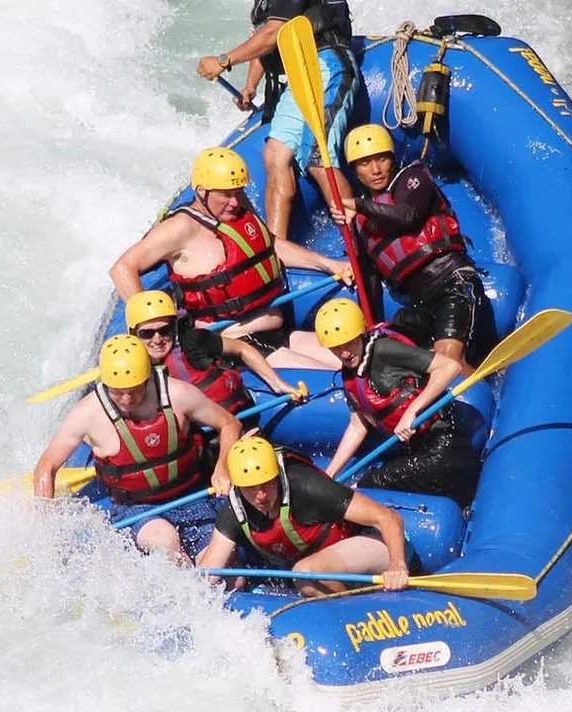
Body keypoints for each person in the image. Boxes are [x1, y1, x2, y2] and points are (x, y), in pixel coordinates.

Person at [109, 147, 344, 369]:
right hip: (235, 345)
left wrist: (329, 264)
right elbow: (122, 268)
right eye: (226, 194)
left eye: (238, 191)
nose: (235, 201)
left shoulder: (237, 205)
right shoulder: (180, 228)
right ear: (202, 191)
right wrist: (150, 324)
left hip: (276, 331)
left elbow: (268, 246)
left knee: (351, 361)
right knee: (331, 377)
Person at [33, 335, 241, 564]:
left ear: (147, 378)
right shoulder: (86, 414)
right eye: (117, 392)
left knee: (231, 575)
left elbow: (229, 424)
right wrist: (47, 527)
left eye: (134, 390)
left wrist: (222, 466)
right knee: (165, 541)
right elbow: (46, 466)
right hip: (136, 507)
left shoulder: (178, 394)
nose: (126, 399)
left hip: (191, 497)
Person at [331, 124, 498, 371]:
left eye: (382, 159)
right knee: (391, 359)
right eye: (365, 163)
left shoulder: (414, 178)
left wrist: (356, 204)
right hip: (417, 305)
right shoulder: (358, 221)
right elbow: (370, 278)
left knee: (448, 363)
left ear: (392, 159)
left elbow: (407, 216)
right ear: (354, 171)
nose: (376, 170)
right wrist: (371, 328)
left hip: (451, 283)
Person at [196, 0, 359, 246]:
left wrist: (223, 61)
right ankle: (277, 249)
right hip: (298, 75)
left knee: (316, 155)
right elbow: (262, 41)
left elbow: (272, 35)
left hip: (326, 63)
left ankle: (357, 243)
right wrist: (250, 86)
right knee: (275, 154)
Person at [314, 298, 481, 507]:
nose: (344, 353)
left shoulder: (385, 349)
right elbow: (358, 426)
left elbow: (450, 367)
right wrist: (329, 474)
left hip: (446, 444)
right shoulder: (350, 373)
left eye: (348, 343)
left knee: (370, 483)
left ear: (360, 333)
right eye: (336, 348)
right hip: (420, 449)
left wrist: (412, 411)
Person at [197, 436, 409, 596]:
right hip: (319, 563)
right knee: (204, 560)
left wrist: (397, 565)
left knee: (305, 572)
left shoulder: (306, 486)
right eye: (251, 488)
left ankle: (358, 616)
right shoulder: (235, 509)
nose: (261, 495)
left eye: (267, 484)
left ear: (277, 476)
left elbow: (388, 517)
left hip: (375, 544)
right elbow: (208, 570)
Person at [125, 290, 305, 426]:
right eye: (147, 333)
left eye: (164, 331)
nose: (157, 339)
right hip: (198, 441)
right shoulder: (127, 369)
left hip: (236, 422)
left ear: (174, 328)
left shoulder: (194, 342)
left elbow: (242, 348)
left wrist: (278, 383)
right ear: (133, 334)